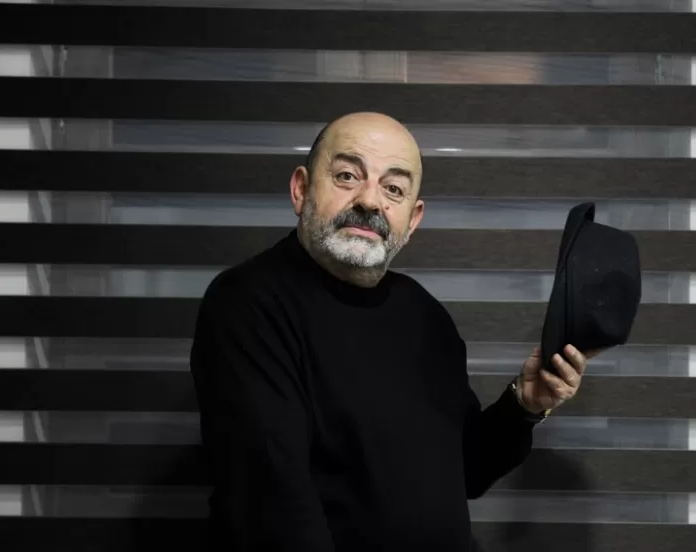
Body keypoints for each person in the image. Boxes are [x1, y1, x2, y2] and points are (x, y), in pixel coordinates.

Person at [189, 112, 598, 551]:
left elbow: (464, 472)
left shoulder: (425, 316)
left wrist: (523, 405)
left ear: (412, 218)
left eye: (394, 189)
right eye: (347, 176)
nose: (370, 201)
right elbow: (272, 507)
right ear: (301, 189)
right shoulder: (249, 302)